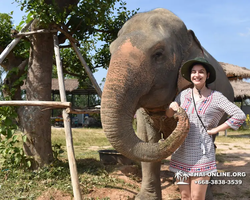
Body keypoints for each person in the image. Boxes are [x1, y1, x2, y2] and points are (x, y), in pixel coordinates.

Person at [165, 57, 246, 200]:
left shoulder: (217, 97)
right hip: (181, 151)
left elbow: (239, 115)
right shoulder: (183, 95)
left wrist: (216, 129)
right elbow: (168, 114)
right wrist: (171, 108)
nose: (197, 75)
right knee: (184, 196)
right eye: (194, 72)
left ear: (207, 75)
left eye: (201, 72)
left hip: (202, 154)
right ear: (190, 75)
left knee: (197, 197)